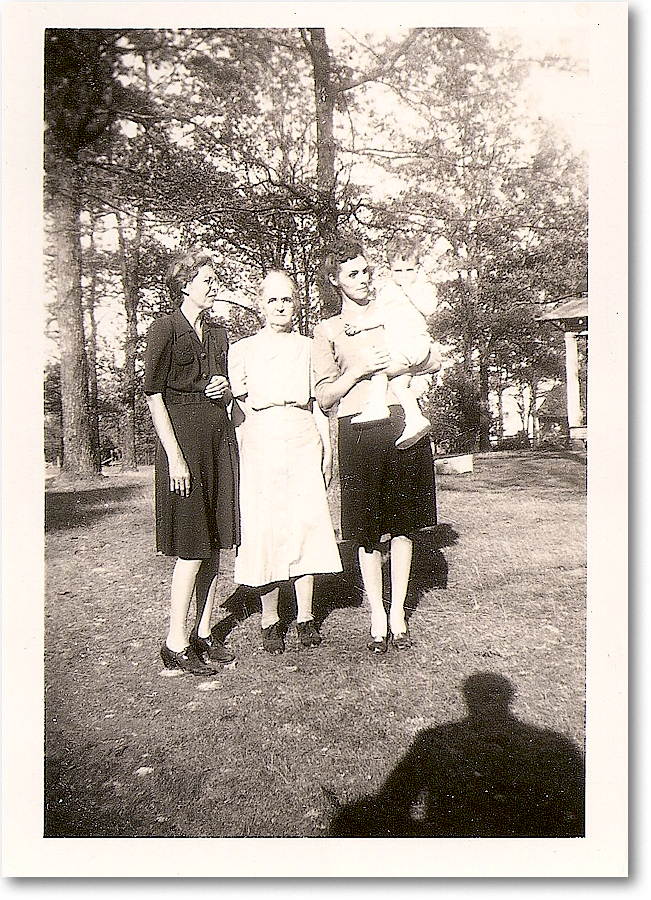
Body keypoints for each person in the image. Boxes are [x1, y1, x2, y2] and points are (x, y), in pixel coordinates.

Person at [313, 235, 440, 653]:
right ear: (335, 281)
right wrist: (357, 372)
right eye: (353, 274)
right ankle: (376, 615)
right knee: (367, 530)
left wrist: (405, 363)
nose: (364, 279)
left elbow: (432, 357)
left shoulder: (393, 310)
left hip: (402, 422)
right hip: (358, 427)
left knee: (403, 524)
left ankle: (399, 612)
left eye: (367, 270)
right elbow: (325, 397)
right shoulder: (328, 330)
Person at [228, 270, 342, 654]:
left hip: (301, 433)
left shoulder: (308, 347)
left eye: (287, 299)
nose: (280, 306)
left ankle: (306, 616)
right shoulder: (243, 349)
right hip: (261, 436)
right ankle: (270, 618)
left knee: (304, 522)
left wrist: (326, 451)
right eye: (273, 300)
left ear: (296, 305)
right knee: (267, 526)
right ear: (261, 305)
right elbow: (239, 410)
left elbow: (318, 405)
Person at [144, 250, 240, 676]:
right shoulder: (165, 329)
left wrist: (224, 387)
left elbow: (227, 388)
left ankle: (202, 633)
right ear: (184, 284)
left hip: (219, 443)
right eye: (206, 279)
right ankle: (174, 641)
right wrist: (175, 460)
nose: (212, 284)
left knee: (216, 543)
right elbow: (153, 396)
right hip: (183, 447)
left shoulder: (218, 335)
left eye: (213, 278)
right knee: (191, 547)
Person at [349, 235, 441, 450]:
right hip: (402, 347)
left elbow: (429, 308)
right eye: (398, 271)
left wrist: (409, 290)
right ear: (391, 270)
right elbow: (381, 315)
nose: (404, 276)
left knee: (378, 362)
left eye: (409, 270)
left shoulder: (423, 287)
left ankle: (378, 405)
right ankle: (415, 418)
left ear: (418, 268)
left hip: (414, 344)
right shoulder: (388, 290)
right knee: (399, 384)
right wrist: (361, 325)